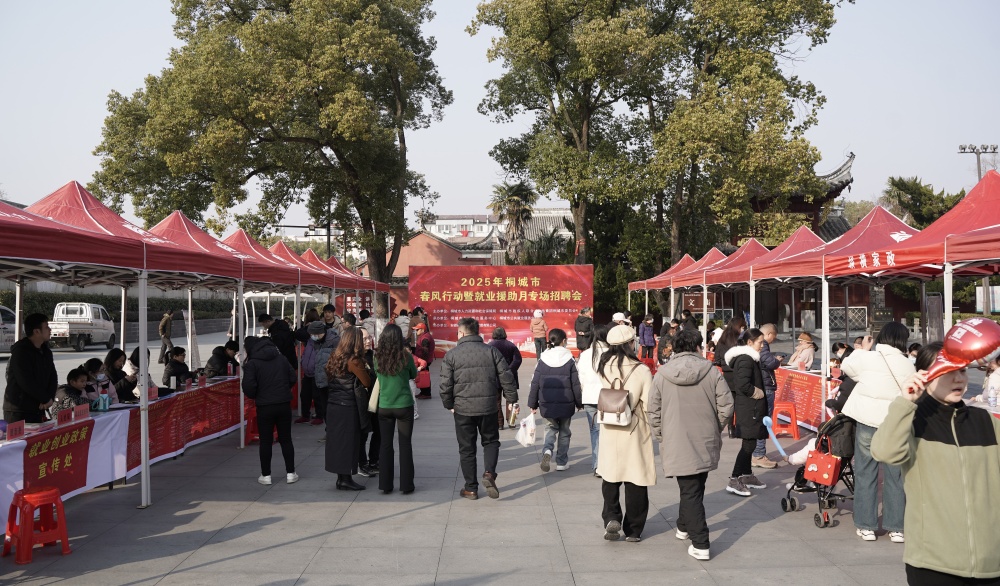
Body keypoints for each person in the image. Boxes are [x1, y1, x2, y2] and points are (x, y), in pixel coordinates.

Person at [872, 342, 1000, 585]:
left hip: (991, 564)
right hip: (932, 563)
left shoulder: (984, 420)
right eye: (947, 371)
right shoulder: (912, 419)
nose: (959, 378)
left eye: (962, 370)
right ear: (925, 376)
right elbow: (884, 452)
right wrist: (905, 402)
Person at [648, 328, 733, 560]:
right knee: (694, 488)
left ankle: (699, 541)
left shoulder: (662, 374)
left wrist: (661, 434)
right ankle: (688, 529)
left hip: (676, 438)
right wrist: (715, 426)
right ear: (698, 346)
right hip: (705, 437)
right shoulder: (711, 371)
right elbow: (726, 405)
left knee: (690, 489)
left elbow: (653, 410)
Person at [841, 322, 913, 543]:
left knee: (866, 473)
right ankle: (897, 528)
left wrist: (862, 349)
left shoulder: (869, 358)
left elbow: (846, 366)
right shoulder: (908, 364)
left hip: (868, 421)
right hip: (895, 424)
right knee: (896, 476)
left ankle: (867, 526)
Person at [439, 317, 518, 500]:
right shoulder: (491, 351)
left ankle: (471, 488)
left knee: (467, 449)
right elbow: (506, 376)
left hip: (463, 409)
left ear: (462, 333)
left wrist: (449, 404)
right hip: (488, 407)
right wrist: (512, 400)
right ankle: (489, 473)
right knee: (491, 442)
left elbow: (445, 385)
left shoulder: (452, 355)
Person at [596, 325, 654, 542]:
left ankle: (611, 517)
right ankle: (634, 530)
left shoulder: (603, 366)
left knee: (610, 475)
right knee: (636, 478)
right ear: (630, 344)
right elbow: (649, 403)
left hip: (609, 426)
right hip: (634, 429)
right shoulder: (641, 370)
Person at [241, 336, 298, 485]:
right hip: (283, 403)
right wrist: (284, 389)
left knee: (265, 441)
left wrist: (258, 394)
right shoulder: (281, 358)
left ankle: (266, 475)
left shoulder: (252, 363)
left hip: (265, 405)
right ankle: (291, 473)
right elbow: (293, 377)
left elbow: (248, 387)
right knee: (286, 439)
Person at [324, 328, 373, 490]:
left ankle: (341, 478)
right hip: (348, 406)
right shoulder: (354, 360)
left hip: (333, 404)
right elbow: (366, 382)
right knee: (349, 443)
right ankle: (345, 479)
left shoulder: (334, 356)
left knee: (339, 443)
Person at [528, 329, 583, 472]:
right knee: (564, 432)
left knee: (550, 429)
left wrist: (532, 404)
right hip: (566, 403)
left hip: (547, 403)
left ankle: (547, 451)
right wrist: (579, 403)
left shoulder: (543, 359)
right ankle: (561, 462)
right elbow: (575, 384)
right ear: (564, 341)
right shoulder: (569, 359)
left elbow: (535, 383)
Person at [373, 324, 418, 494]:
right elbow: (413, 374)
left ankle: (385, 485)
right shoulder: (406, 356)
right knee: (405, 444)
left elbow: (377, 375)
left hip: (384, 405)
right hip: (404, 405)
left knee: (385, 445)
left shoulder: (377, 357)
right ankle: (406, 485)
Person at [724, 328, 769, 497]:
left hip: (752, 407)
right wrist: (755, 392)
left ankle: (747, 475)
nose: (762, 346)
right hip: (750, 408)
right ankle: (734, 479)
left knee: (751, 442)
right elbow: (742, 384)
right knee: (749, 444)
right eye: (760, 342)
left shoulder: (749, 358)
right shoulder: (745, 359)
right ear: (750, 342)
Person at [577, 324, 609, 477]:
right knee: (609, 431)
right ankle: (608, 464)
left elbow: (580, 378)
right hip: (609, 397)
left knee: (595, 431)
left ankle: (597, 465)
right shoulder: (612, 353)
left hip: (590, 397)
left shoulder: (585, 355)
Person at [752, 324, 783, 469]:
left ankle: (755, 453)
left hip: (758, 385)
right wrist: (776, 361)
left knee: (758, 420)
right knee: (764, 421)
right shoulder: (762, 344)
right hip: (765, 386)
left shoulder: (752, 342)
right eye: (773, 338)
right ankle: (758, 454)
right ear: (769, 334)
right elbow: (768, 361)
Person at [488, 326, 523, 428]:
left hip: (495, 376)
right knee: (511, 399)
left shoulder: (490, 346)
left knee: (496, 400)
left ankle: (499, 423)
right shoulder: (511, 345)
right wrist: (509, 371)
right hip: (510, 376)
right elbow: (517, 360)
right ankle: (511, 421)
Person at [296, 321, 327, 425]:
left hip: (318, 372)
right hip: (307, 372)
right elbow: (298, 334)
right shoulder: (309, 340)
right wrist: (306, 327)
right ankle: (305, 415)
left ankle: (319, 416)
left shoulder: (325, 341)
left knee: (317, 396)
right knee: (305, 395)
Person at [312, 325, 341, 433]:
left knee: (332, 409)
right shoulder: (316, 342)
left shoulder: (335, 340)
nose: (314, 336)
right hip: (320, 380)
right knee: (325, 408)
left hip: (332, 380)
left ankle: (333, 431)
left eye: (316, 334)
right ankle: (329, 431)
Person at [412, 322, 436, 399]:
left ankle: (426, 393)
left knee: (424, 376)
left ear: (422, 330)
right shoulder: (424, 336)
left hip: (424, 360)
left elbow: (425, 351)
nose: (416, 331)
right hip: (424, 360)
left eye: (417, 330)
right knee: (423, 375)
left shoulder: (425, 338)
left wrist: (423, 363)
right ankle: (423, 392)